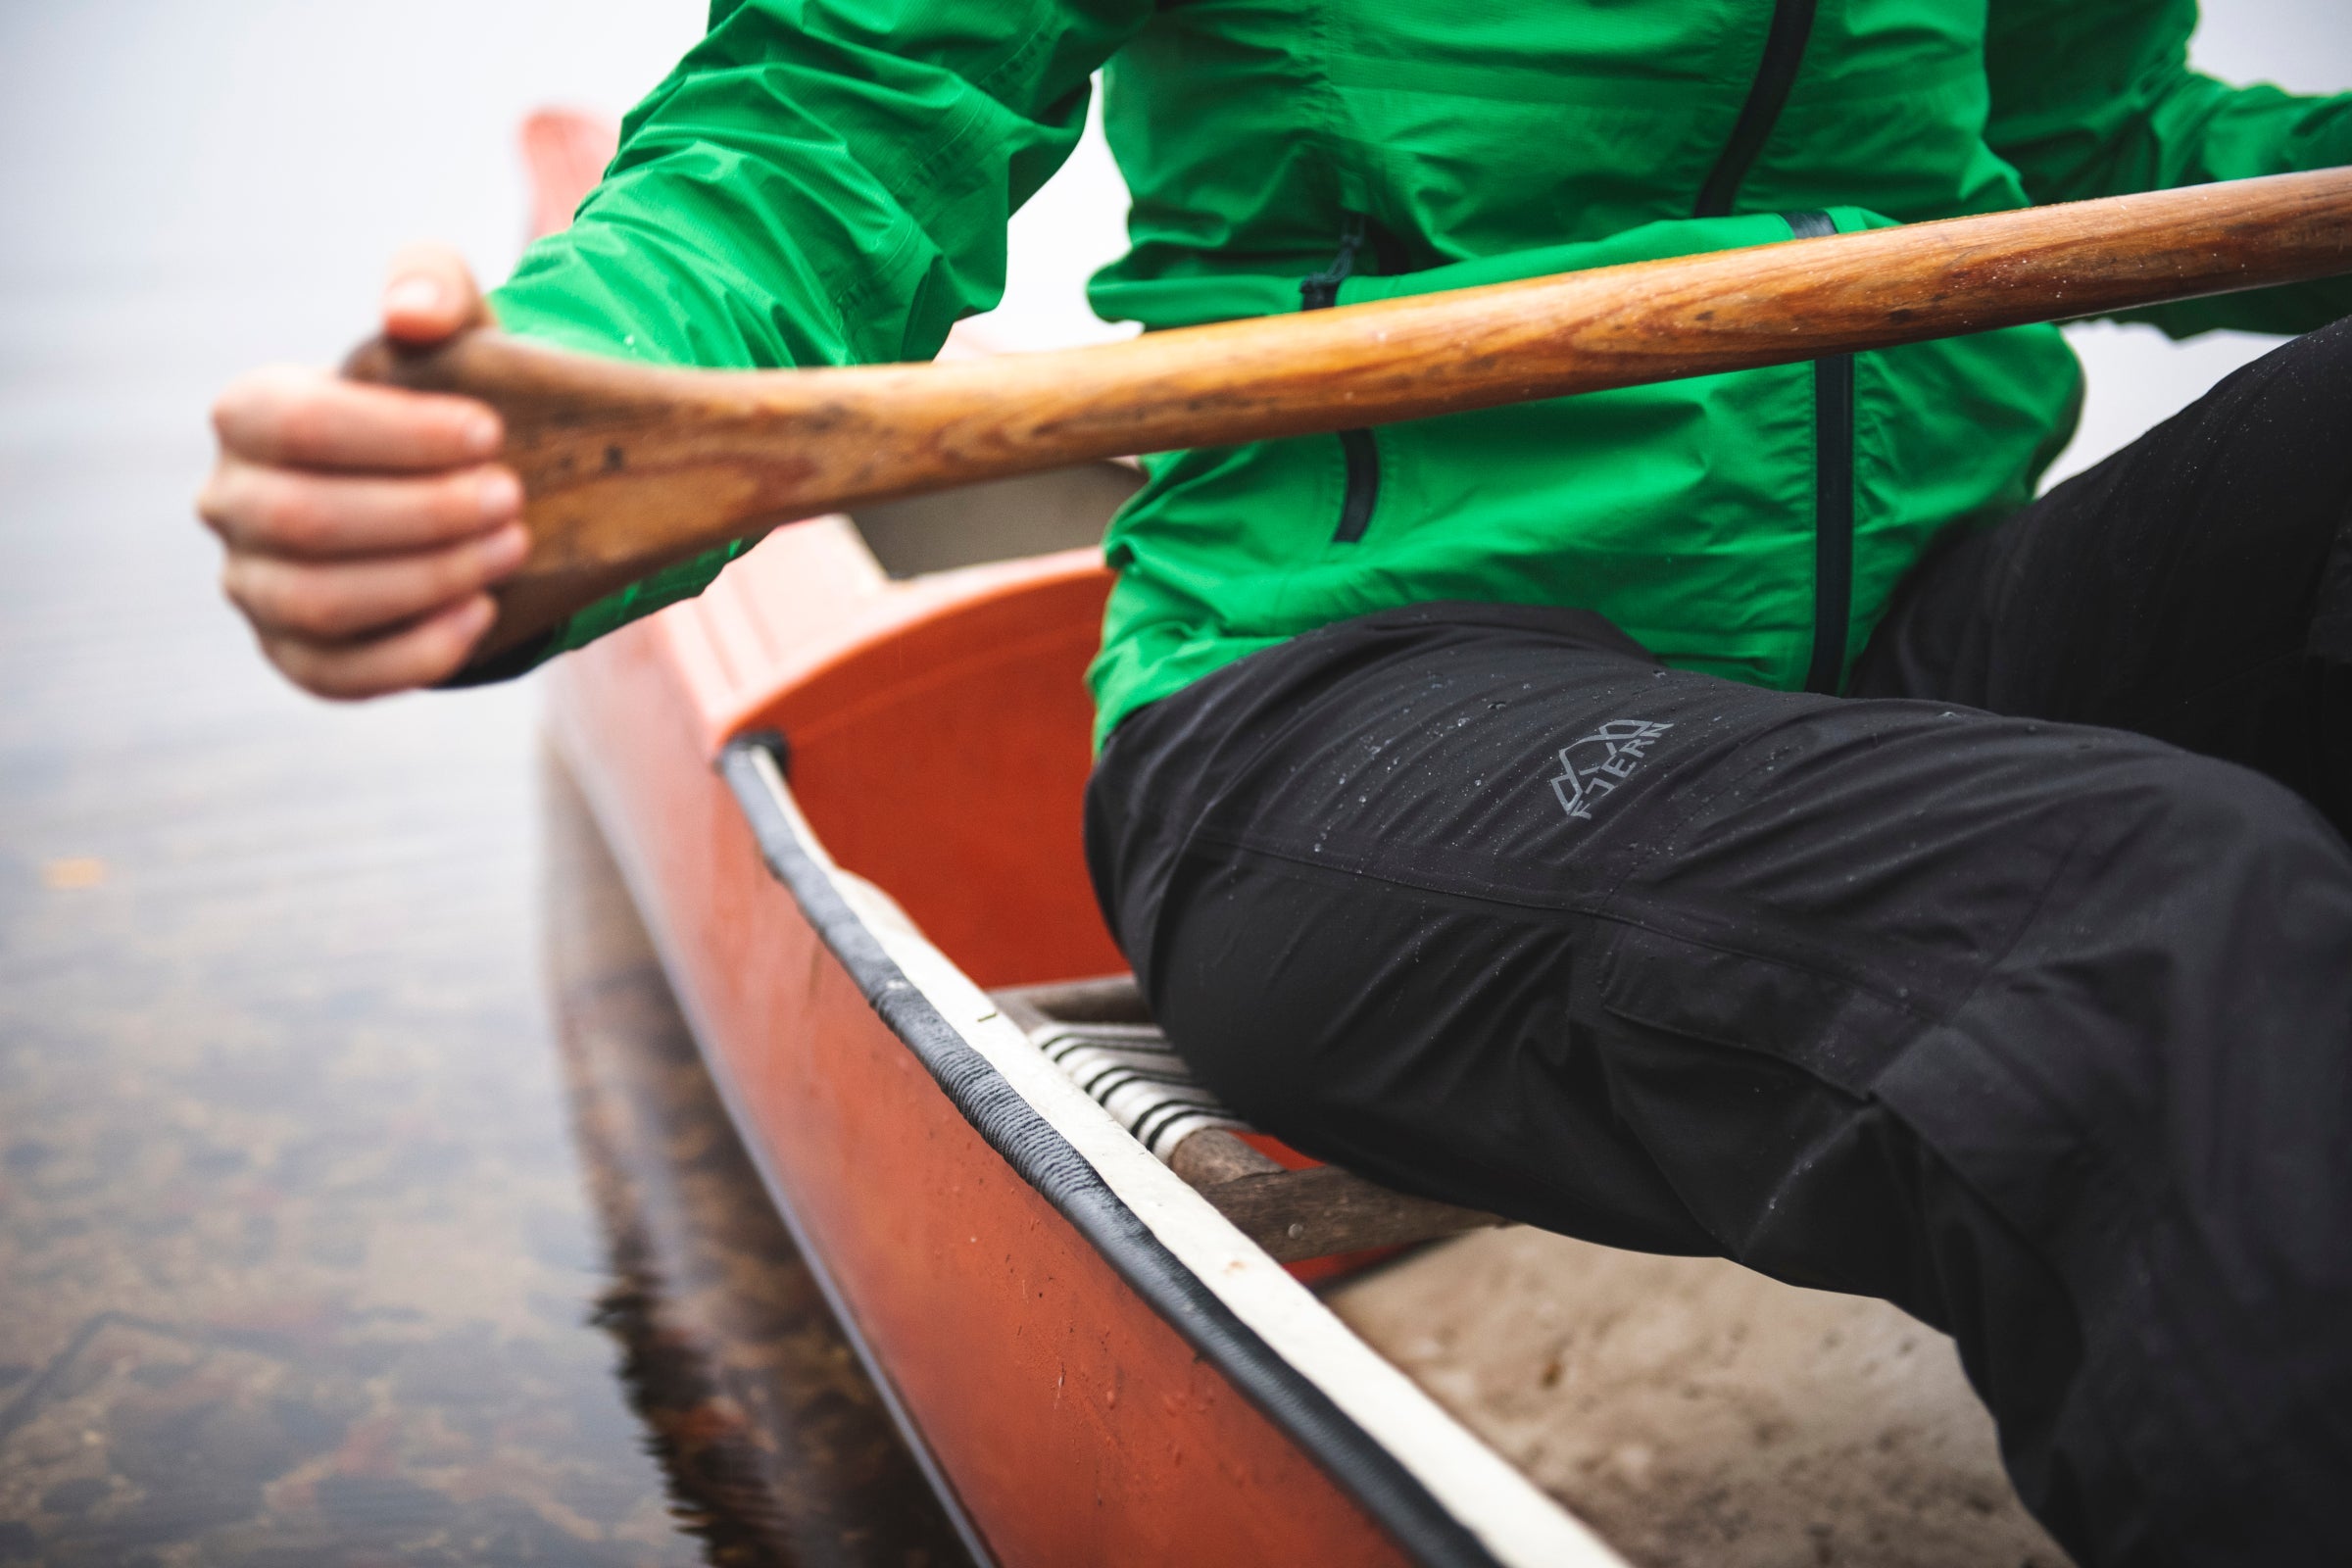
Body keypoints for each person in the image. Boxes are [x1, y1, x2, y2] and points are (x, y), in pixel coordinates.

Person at [198, 3, 2352, 1562]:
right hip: (1350, 709)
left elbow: (2102, 127)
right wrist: (536, 458)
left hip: (1927, 626)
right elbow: (842, 122)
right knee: (2145, 912)